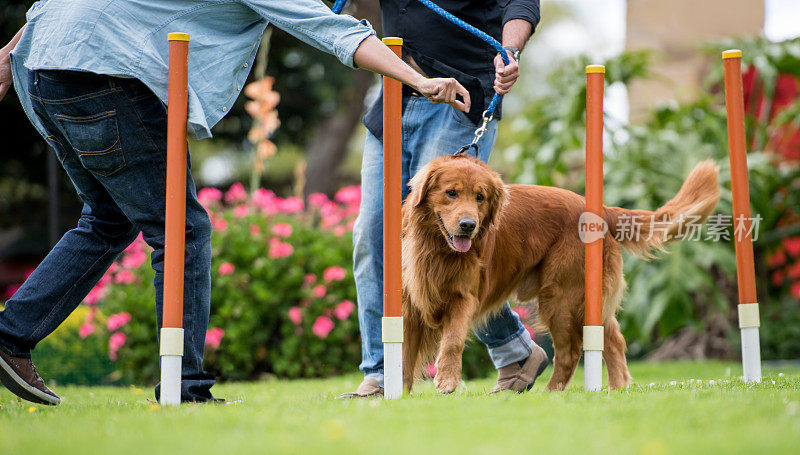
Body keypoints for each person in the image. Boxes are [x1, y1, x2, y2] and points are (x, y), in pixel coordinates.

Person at [0, 0, 471, 406]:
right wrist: (418, 79)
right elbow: (332, 31)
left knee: (108, 219)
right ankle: (183, 386)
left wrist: (8, 53)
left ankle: (12, 334)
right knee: (181, 229)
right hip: (105, 74)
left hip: (43, 67)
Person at [342, 0, 548, 398]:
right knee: (372, 237)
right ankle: (383, 371)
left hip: (460, 100)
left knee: (454, 247)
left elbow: (520, 2)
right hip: (392, 93)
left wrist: (510, 51)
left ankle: (500, 352)